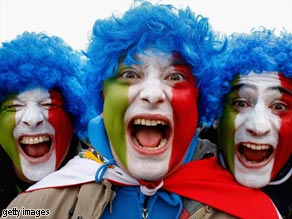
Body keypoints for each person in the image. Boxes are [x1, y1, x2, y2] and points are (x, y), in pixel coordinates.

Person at [3, 3, 280, 219]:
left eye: (174, 77)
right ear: (102, 96)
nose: (151, 94)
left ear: (199, 102)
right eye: (129, 74)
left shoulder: (255, 212)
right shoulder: (30, 207)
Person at [0, 31, 87, 211]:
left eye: (48, 104)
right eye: (14, 107)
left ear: (74, 116)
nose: (32, 119)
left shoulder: (103, 183)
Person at [217, 28, 292, 218]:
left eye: (279, 107)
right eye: (241, 103)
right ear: (216, 115)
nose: (258, 126)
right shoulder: (177, 175)